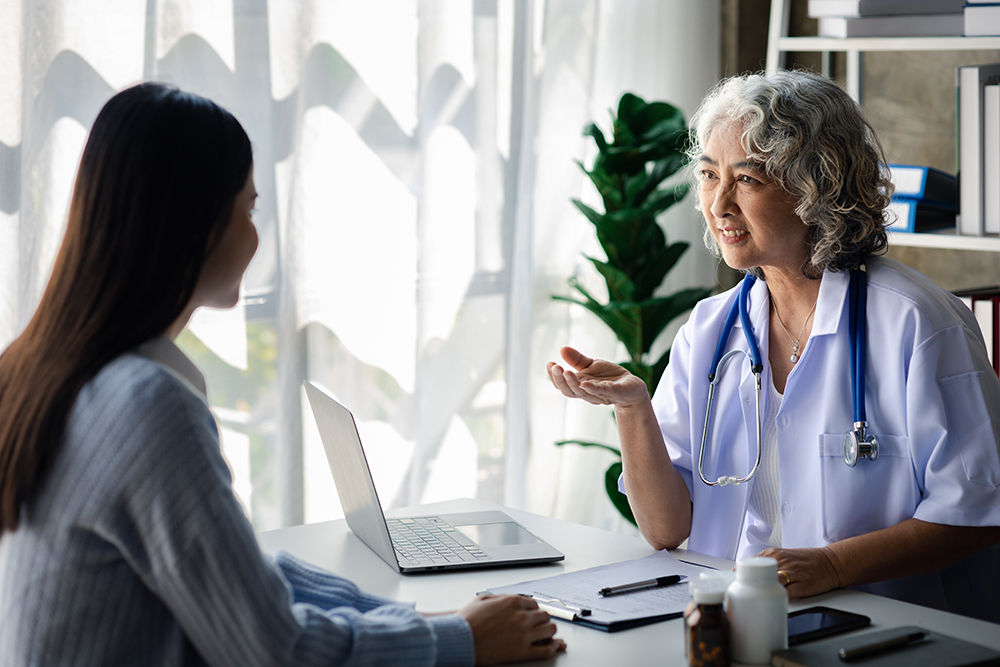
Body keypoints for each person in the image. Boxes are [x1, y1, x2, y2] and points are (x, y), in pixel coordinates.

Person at [0, 83, 565, 666]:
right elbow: (278, 653)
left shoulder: (49, 373)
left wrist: (417, 619)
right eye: (246, 209)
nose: (255, 236)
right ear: (190, 224)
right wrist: (461, 641)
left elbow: (239, 574)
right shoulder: (145, 406)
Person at [547, 70, 1000, 623]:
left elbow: (978, 513)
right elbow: (668, 529)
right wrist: (632, 408)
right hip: (746, 623)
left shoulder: (919, 322)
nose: (718, 205)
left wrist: (832, 565)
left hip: (892, 634)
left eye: (748, 179)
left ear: (819, 187)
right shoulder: (710, 330)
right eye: (709, 176)